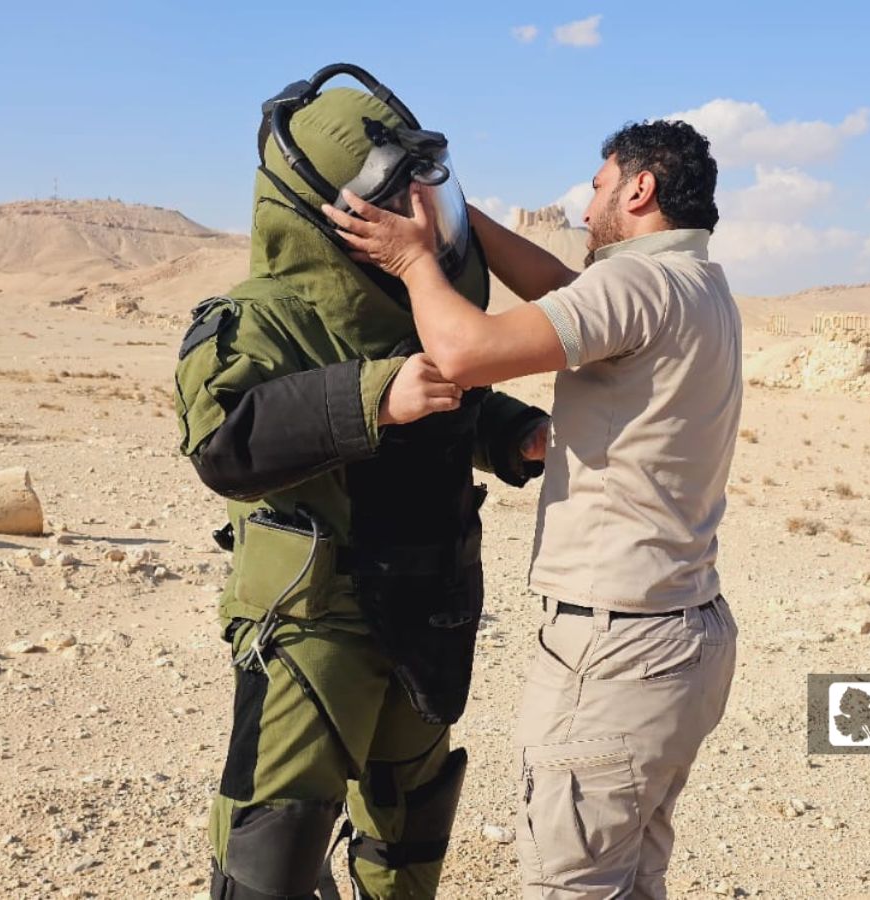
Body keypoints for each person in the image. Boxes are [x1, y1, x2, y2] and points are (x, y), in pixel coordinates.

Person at [323, 118, 742, 898]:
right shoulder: (695, 283)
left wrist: (416, 260)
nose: (585, 210)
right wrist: (458, 216)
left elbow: (465, 352)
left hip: (618, 651)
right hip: (683, 640)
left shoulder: (637, 286)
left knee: (572, 884)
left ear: (639, 189)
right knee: (627, 876)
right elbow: (562, 293)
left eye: (596, 187)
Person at [173, 63, 550, 899]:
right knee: (273, 845)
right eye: (397, 202)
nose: (423, 223)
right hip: (317, 620)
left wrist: (516, 434)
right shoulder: (261, 316)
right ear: (333, 213)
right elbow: (221, 444)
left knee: (410, 830)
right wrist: (373, 396)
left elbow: (460, 405)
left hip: (428, 604)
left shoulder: (418, 305)